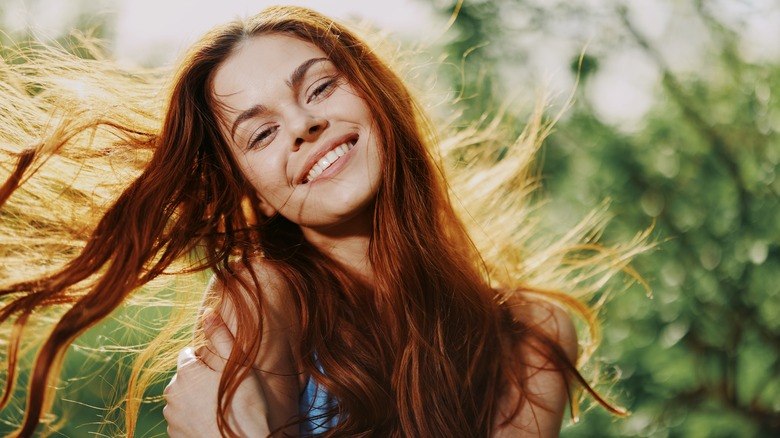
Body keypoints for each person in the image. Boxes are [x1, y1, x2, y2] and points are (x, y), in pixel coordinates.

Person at [0, 5, 643, 437]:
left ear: (377, 97)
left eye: (319, 88)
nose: (304, 126)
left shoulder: (531, 337)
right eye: (262, 132)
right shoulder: (263, 296)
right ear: (254, 191)